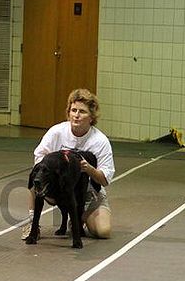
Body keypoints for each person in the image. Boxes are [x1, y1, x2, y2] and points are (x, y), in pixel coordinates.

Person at [21, 88, 115, 240]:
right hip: (59, 186)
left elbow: (105, 180)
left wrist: (88, 168)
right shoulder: (56, 132)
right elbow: (39, 161)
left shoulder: (100, 141)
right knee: (37, 178)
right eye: (73, 110)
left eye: (82, 112)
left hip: (88, 193)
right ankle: (33, 223)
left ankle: (78, 219)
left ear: (91, 117)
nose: (76, 115)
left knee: (103, 231)